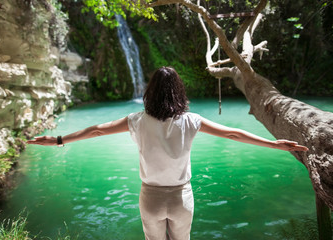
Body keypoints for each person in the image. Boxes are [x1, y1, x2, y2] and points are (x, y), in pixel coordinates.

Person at [28, 66, 308, 240]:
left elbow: (97, 130)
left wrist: (59, 139)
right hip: (181, 197)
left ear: (150, 92)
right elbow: (234, 134)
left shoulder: (136, 120)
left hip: (150, 197)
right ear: (178, 91)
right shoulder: (192, 121)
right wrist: (275, 144)